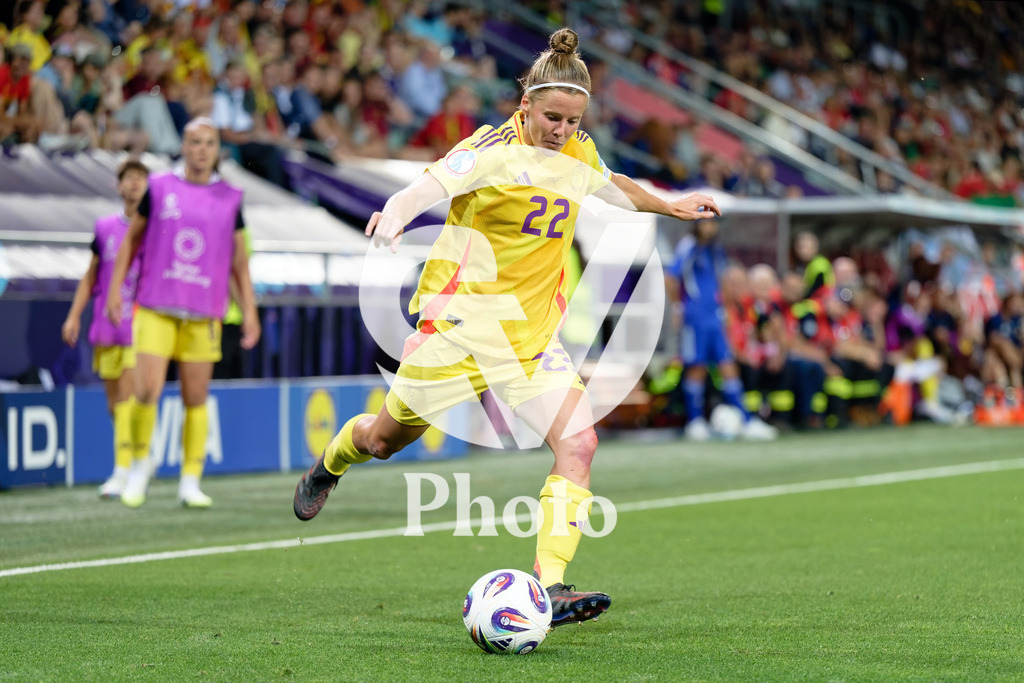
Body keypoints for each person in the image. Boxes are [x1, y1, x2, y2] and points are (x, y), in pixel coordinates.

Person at [292, 28, 720, 628]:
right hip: (461, 330)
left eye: (572, 122)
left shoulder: (577, 153)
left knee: (579, 443)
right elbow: (430, 185)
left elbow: (611, 186)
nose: (561, 132)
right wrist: (393, 215)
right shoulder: (489, 150)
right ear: (526, 106)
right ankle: (330, 463)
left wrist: (668, 204)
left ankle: (551, 586)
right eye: (552, 118)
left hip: (530, 340)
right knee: (383, 441)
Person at [106, 117, 261, 509]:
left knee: (196, 397)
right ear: (183, 146)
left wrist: (250, 312)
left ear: (217, 148)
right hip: (156, 307)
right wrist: (114, 290)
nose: (201, 149)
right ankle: (141, 465)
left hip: (204, 312)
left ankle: (190, 481)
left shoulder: (230, 197)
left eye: (209, 142)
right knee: (146, 390)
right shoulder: (158, 188)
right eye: (194, 142)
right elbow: (131, 240)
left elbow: (239, 263)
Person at [61, 159, 149, 499]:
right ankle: (138, 455)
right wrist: (73, 315)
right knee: (114, 402)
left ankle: (122, 471)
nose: (135, 184)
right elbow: (91, 274)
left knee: (126, 395)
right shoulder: (104, 227)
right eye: (129, 178)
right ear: (119, 185)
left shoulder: (153, 229)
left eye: (141, 178)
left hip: (136, 321)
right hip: (104, 322)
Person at [666, 219, 778, 441]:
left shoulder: (714, 250)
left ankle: (745, 420)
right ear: (696, 223)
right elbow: (671, 277)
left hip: (715, 317)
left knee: (727, 364)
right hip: (696, 317)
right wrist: (678, 307)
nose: (710, 227)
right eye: (705, 223)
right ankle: (695, 421)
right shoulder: (689, 246)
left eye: (713, 223)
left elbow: (721, 280)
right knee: (696, 366)